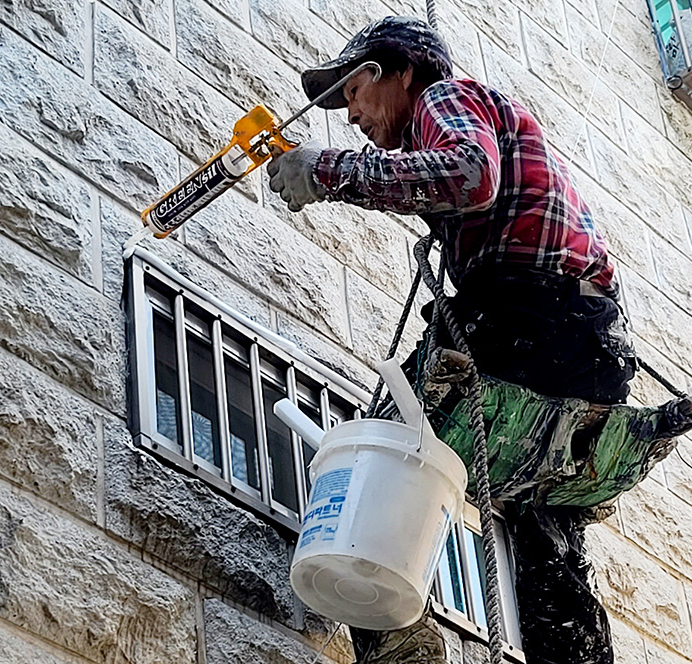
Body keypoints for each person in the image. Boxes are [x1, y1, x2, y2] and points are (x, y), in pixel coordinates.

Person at [267, 16, 636, 664]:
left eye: (353, 92)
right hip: (588, 347)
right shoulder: (480, 119)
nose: (351, 115)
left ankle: (392, 635)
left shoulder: (445, 98)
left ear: (400, 73)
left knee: (379, 448)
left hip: (528, 317)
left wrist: (328, 172)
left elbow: (468, 174)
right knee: (540, 516)